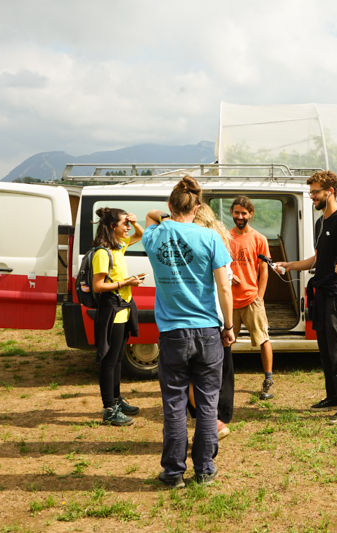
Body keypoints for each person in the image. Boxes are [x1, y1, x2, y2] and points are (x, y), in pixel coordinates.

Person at [142, 177, 235, 488]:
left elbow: (150, 216)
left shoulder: (155, 236)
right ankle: (205, 468)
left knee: (174, 405)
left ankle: (172, 472)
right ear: (198, 208)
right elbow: (224, 286)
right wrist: (229, 326)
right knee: (207, 404)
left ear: (171, 206)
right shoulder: (210, 238)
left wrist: (168, 217)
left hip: (172, 333)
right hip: (208, 330)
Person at [274, 171, 337, 424]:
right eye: (311, 192)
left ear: (329, 192)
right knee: (326, 350)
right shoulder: (321, 222)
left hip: (336, 291)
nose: (311, 196)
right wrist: (288, 265)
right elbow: (316, 260)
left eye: (315, 192)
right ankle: (333, 397)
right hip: (322, 291)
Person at [91, 208, 144, 426]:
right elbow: (98, 285)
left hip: (123, 310)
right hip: (112, 312)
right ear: (113, 226)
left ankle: (116, 400)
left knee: (119, 359)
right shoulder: (103, 253)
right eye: (125, 224)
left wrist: (135, 220)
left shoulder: (118, 247)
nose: (128, 227)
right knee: (109, 361)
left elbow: (140, 235)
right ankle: (109, 409)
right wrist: (127, 282)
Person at [188, 204, 235, 441]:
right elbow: (227, 285)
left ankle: (209, 422)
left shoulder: (194, 242)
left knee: (193, 377)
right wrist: (229, 325)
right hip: (217, 318)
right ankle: (217, 417)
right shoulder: (220, 242)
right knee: (219, 374)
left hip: (199, 317)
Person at [228, 196, 276, 400]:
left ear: (251, 214)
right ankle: (222, 381)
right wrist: (229, 276)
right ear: (232, 213)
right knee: (225, 341)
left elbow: (264, 271)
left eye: (244, 213)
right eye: (237, 212)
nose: (240, 216)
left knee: (263, 339)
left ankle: (269, 380)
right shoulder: (224, 237)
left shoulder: (259, 239)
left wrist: (260, 297)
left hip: (251, 298)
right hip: (228, 300)